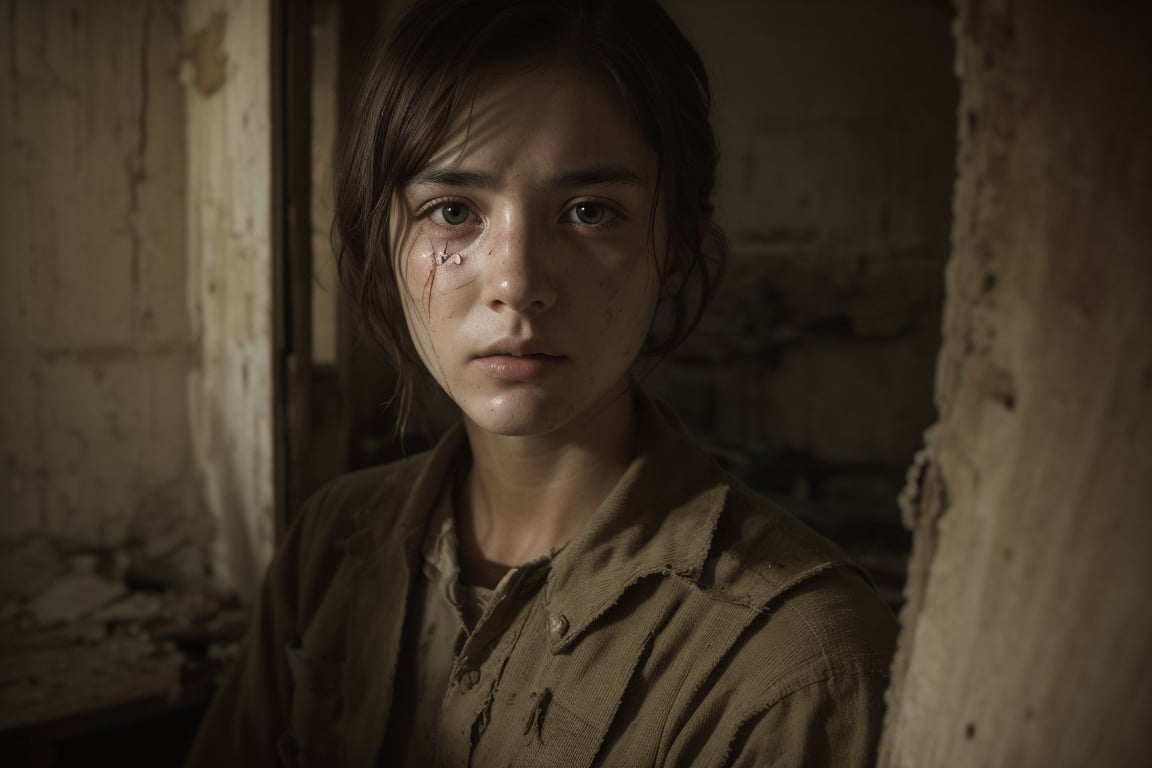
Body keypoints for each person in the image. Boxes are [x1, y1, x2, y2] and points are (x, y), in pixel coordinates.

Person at [186, 0, 897, 765]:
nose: (517, 283)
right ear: (384, 240)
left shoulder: (791, 661)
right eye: (453, 211)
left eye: (590, 212)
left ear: (676, 251)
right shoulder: (330, 544)